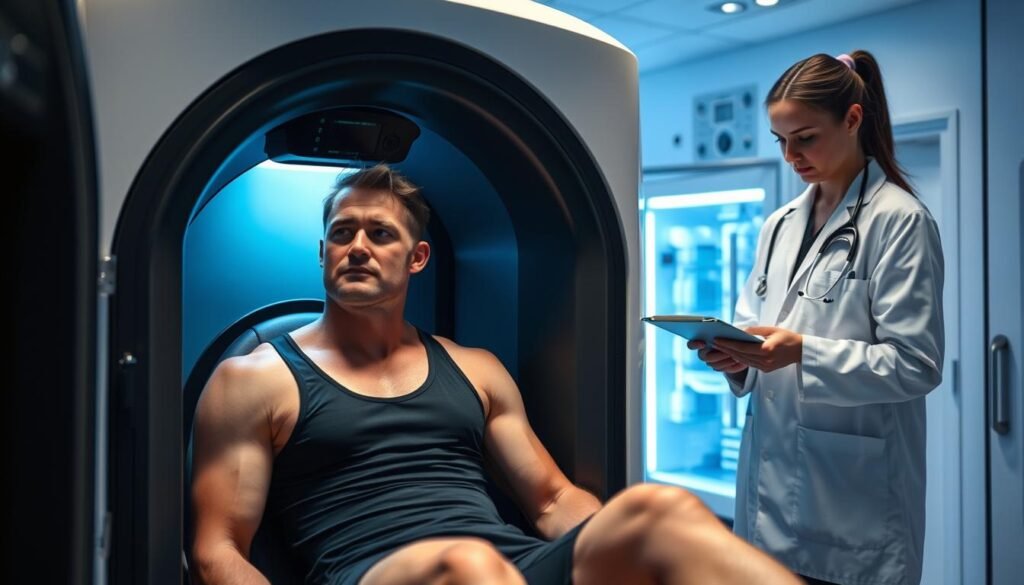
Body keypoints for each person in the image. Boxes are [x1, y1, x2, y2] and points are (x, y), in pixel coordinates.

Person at [190, 164, 800, 585]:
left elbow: (553, 499)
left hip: (508, 568)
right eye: (341, 234)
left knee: (658, 511)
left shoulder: (472, 368)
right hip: (383, 571)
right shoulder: (252, 380)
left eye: (380, 234)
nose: (357, 247)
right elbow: (218, 549)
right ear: (322, 253)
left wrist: (603, 557)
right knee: (466, 564)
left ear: (418, 258)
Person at [688, 51, 944, 585]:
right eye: (781, 141)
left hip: (852, 508)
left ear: (852, 119)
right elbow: (754, 329)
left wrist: (801, 351)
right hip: (768, 505)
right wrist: (734, 359)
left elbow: (917, 364)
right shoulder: (779, 225)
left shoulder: (900, 220)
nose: (790, 155)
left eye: (804, 137)